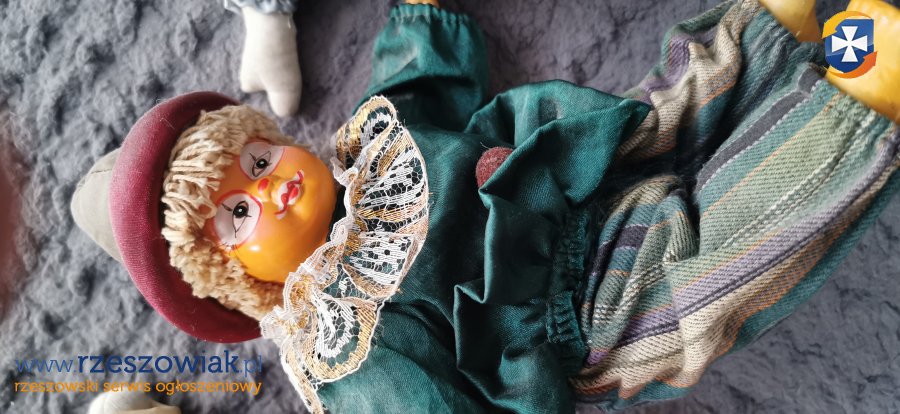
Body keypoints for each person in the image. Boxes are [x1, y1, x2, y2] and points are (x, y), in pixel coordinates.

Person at [72, 0, 900, 412]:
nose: (268, 186)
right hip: (578, 317)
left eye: (257, 161)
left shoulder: (367, 146)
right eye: (239, 215)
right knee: (715, 257)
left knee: (663, 111)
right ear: (236, 280)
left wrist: (422, 13)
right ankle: (857, 95)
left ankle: (772, 34)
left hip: (568, 170)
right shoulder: (341, 344)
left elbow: (419, 84)